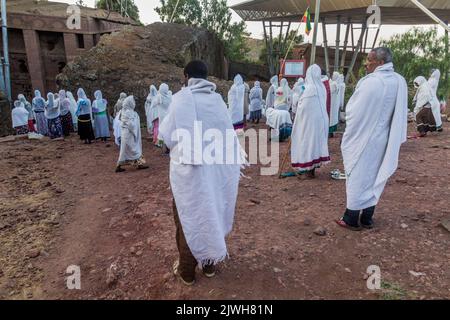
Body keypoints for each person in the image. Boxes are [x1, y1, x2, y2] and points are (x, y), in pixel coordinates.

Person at [159, 60, 242, 286]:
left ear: (186, 76)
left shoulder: (179, 100)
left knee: (188, 217)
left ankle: (186, 271)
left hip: (189, 176)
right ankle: (209, 265)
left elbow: (166, 135)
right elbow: (229, 139)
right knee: (211, 212)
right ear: (207, 78)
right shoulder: (218, 102)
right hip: (215, 173)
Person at [337, 47, 408, 230]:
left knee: (357, 176)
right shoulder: (399, 81)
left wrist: (349, 128)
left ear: (381, 63)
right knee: (375, 176)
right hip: (384, 138)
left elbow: (354, 111)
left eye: (369, 60)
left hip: (364, 139)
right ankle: (367, 218)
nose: (366, 64)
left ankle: (351, 218)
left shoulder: (372, 82)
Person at [290, 64, 330, 179]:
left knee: (308, 144)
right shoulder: (321, 87)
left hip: (309, 123)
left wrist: (298, 100)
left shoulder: (309, 89)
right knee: (316, 144)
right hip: (321, 122)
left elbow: (303, 107)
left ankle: (308, 172)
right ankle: (312, 170)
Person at [115, 96, 148, 172]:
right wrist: (135, 130)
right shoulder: (128, 112)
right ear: (129, 103)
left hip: (126, 134)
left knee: (125, 150)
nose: (134, 103)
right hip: (129, 134)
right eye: (133, 102)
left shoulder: (124, 111)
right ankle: (139, 164)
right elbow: (131, 124)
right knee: (135, 149)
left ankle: (119, 166)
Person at [329, 72, 341, 137]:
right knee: (332, 118)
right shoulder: (334, 84)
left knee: (331, 118)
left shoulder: (333, 84)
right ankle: (331, 132)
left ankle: (330, 132)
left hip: (333, 103)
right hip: (333, 103)